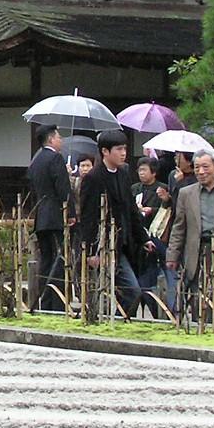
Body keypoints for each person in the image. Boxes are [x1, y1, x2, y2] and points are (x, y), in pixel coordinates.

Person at [75, 129, 151, 317]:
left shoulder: (123, 174)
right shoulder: (93, 178)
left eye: (124, 148)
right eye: (118, 149)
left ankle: (118, 320)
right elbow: (88, 217)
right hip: (103, 244)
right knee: (129, 291)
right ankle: (115, 320)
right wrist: (91, 251)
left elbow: (131, 209)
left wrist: (143, 238)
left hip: (124, 242)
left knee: (130, 292)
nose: (123, 153)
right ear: (105, 151)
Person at [166, 149, 214, 323]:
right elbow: (179, 228)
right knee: (199, 299)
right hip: (198, 250)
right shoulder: (186, 194)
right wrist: (172, 255)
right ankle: (202, 326)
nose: (201, 172)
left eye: (205, 167)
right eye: (197, 167)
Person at [27, 124, 71, 313]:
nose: (61, 140)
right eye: (59, 137)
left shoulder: (36, 160)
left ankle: (44, 302)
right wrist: (70, 213)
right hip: (55, 216)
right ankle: (56, 302)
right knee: (59, 258)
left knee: (46, 259)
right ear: (51, 139)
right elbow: (63, 189)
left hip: (41, 215)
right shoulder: (56, 158)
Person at [132, 157, 171, 316]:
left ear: (154, 172)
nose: (141, 173)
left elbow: (166, 211)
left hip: (156, 236)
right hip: (138, 236)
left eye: (144, 170)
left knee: (155, 275)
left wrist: (152, 210)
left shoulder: (162, 189)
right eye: (139, 170)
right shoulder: (135, 188)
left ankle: (158, 310)